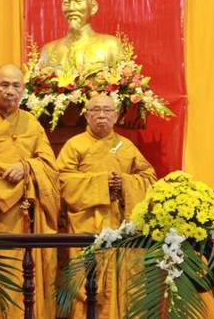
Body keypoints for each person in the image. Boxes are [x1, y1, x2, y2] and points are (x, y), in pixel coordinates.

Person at [0, 63, 60, 319]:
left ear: (24, 89)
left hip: (29, 210)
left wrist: (26, 167)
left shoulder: (31, 121)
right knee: (1, 271)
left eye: (16, 85)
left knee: (27, 270)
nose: (10, 90)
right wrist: (15, 180)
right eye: (4, 84)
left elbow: (48, 162)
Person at [57, 93, 157, 319]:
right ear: (86, 115)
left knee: (124, 282)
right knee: (88, 284)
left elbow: (149, 178)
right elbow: (62, 180)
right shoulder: (75, 145)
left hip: (121, 225)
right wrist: (102, 183)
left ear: (116, 115)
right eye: (95, 110)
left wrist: (124, 183)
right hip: (88, 224)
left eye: (107, 110)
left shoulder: (126, 145)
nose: (101, 115)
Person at [38, 0, 124, 75]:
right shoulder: (49, 50)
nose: (71, 8)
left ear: (93, 7)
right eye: (66, 2)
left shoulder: (110, 45)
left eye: (78, 1)